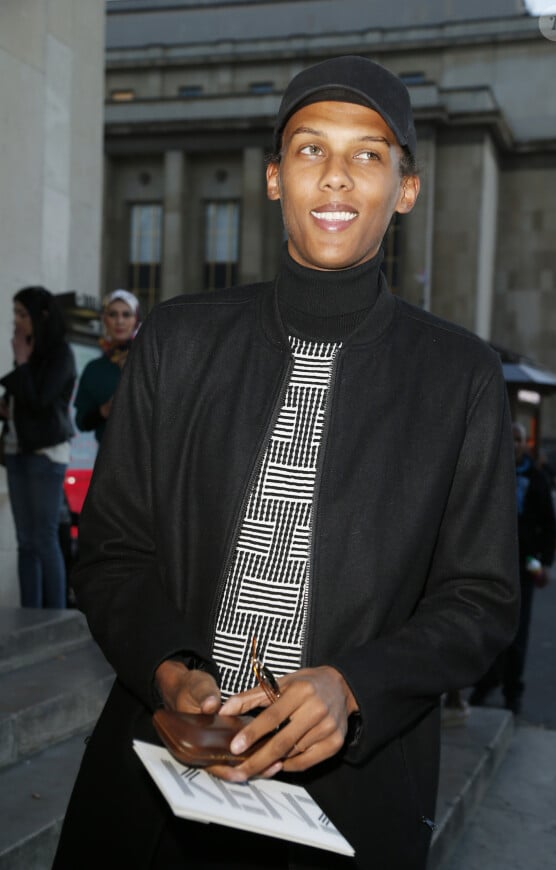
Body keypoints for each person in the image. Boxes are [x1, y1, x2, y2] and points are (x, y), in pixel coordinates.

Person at [53, 56, 519, 870]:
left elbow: (480, 599)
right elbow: (114, 552)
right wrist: (172, 671)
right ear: (274, 178)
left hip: (344, 805)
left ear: (405, 188)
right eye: (309, 150)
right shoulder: (178, 338)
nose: (336, 177)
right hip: (157, 782)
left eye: (368, 155)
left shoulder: (461, 377)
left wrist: (357, 686)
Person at [470, 422, 556, 715]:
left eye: (518, 439)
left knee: (518, 632)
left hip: (525, 564)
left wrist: (543, 562)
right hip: (493, 565)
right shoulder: (492, 473)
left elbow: (549, 524)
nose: (514, 443)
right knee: (489, 628)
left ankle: (512, 691)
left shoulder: (536, 478)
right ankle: (486, 682)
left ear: (526, 444)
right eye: (510, 438)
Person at [0, 286, 76, 608]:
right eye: (14, 313)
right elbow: (20, 399)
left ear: (40, 316)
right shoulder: (29, 351)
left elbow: (42, 399)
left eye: (22, 313)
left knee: (45, 539)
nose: (16, 320)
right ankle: (29, 614)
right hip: (17, 452)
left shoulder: (59, 353)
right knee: (25, 542)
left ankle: (55, 615)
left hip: (46, 457)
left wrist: (21, 361)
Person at [74, 289, 140, 445]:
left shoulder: (150, 360)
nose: (120, 321)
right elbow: (81, 422)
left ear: (136, 320)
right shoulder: (95, 369)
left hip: (147, 458)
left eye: (126, 314)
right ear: (104, 319)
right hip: (108, 459)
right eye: (113, 314)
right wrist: (104, 411)